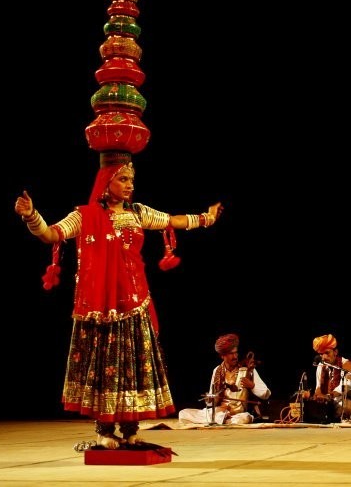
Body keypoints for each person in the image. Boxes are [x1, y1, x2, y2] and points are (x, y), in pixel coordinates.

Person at [14, 153, 224, 448]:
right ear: (106, 182)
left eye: (131, 180)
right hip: (102, 308)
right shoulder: (84, 216)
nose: (129, 186)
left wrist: (206, 219)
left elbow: (171, 220)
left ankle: (130, 428)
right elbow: (51, 234)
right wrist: (31, 216)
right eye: (123, 179)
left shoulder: (137, 212)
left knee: (134, 366)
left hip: (135, 301)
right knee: (105, 366)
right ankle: (104, 429)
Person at [178, 333, 271, 425]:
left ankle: (220, 421)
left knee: (245, 418)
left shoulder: (246, 369)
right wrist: (210, 399)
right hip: (221, 411)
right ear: (222, 356)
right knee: (183, 413)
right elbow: (211, 403)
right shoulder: (217, 371)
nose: (235, 356)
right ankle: (223, 420)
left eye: (236, 353)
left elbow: (266, 394)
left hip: (238, 414)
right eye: (231, 354)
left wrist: (252, 385)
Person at [311, 334, 351, 422]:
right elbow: (318, 389)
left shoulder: (347, 364)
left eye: (327, 353)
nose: (324, 357)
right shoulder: (320, 366)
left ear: (335, 352)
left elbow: (345, 386)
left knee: (347, 407)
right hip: (327, 403)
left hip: (343, 400)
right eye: (321, 354)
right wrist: (317, 396)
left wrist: (329, 396)